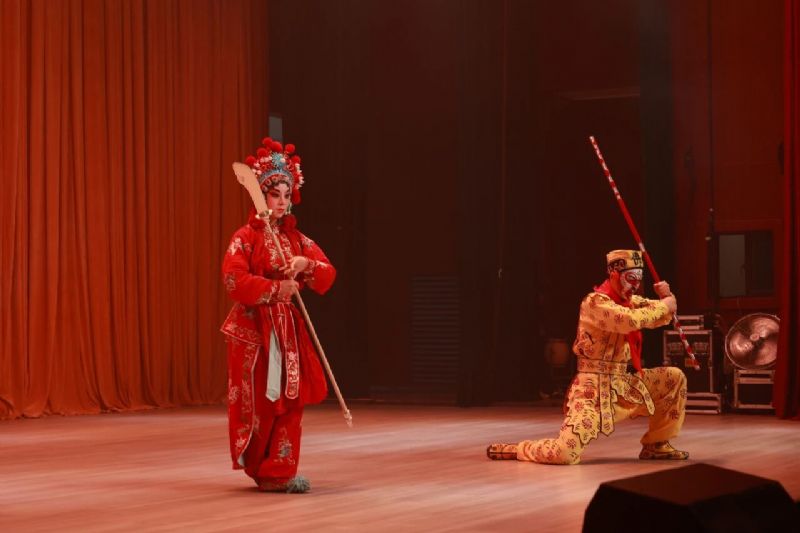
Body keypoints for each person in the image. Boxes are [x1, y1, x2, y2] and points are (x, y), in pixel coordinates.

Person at [487, 249, 688, 464]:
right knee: (564, 454)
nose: (635, 285)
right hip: (592, 392)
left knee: (673, 378)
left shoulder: (630, 301)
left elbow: (661, 315)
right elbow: (629, 321)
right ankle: (520, 449)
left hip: (623, 385)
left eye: (638, 280)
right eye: (631, 278)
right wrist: (665, 305)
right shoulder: (595, 303)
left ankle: (657, 445)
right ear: (614, 274)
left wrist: (667, 298)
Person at [221, 138, 335, 492]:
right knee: (264, 400)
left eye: (287, 195)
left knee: (291, 398)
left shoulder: (297, 239)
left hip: (287, 330)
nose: (282, 202)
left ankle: (281, 469)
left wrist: (305, 265)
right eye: (275, 195)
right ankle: (262, 466)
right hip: (255, 330)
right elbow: (233, 280)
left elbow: (328, 273)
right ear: (262, 196)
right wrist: (275, 289)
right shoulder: (245, 238)